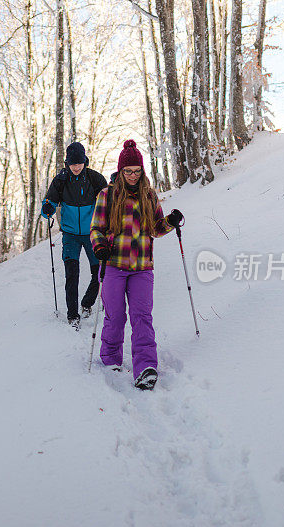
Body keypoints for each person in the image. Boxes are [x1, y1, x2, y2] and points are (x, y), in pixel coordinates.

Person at [89, 139, 183, 390]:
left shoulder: (149, 196)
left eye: (137, 171)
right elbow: (96, 228)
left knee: (142, 317)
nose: (132, 175)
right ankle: (110, 359)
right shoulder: (106, 195)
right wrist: (99, 245)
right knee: (115, 316)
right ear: (120, 171)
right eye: (128, 171)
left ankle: (145, 366)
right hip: (113, 265)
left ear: (142, 171)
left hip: (142, 266)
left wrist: (171, 222)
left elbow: (155, 229)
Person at [41, 142, 108, 327]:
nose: (76, 167)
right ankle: (72, 315)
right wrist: (47, 208)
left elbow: (109, 198)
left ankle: (87, 303)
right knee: (72, 274)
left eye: (79, 163)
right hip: (70, 234)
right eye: (73, 164)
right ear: (67, 163)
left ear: (84, 162)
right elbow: (49, 201)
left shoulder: (94, 178)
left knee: (100, 272)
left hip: (92, 234)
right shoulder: (61, 180)